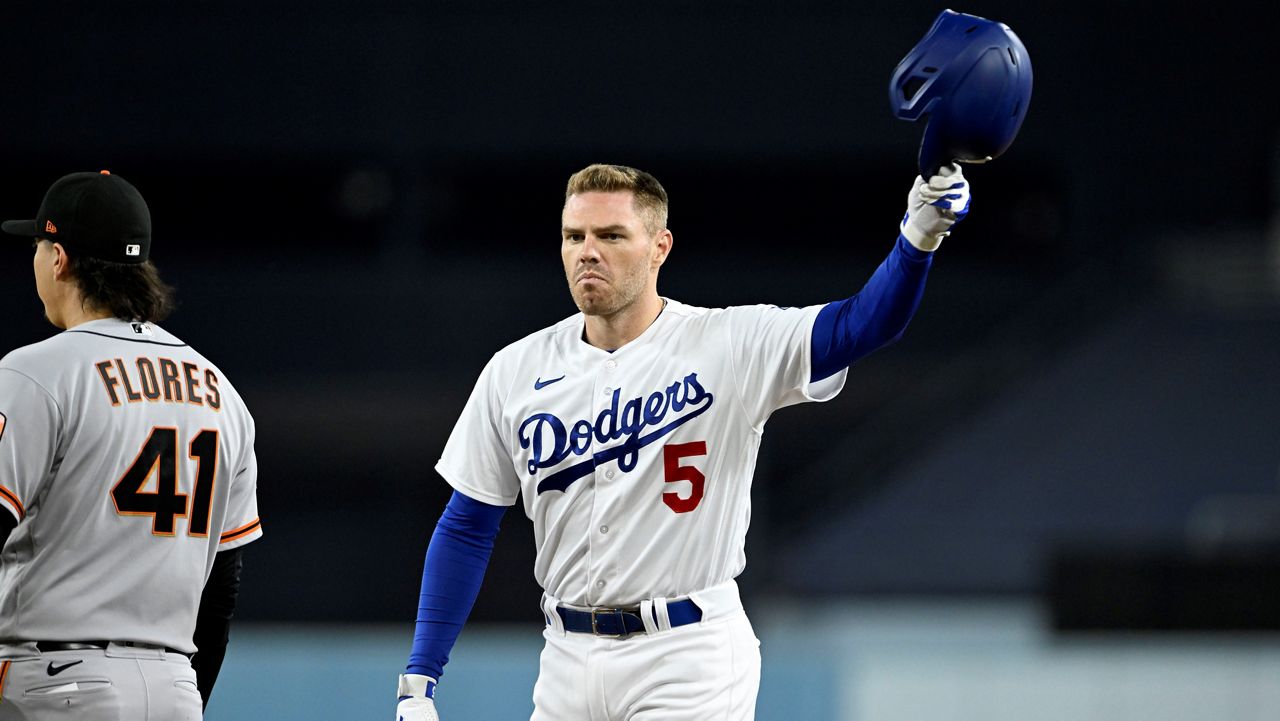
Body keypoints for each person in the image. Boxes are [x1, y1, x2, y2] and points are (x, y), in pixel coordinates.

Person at [394, 162, 971, 720]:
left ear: (659, 247)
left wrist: (918, 236)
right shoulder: (514, 370)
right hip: (566, 655)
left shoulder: (728, 343)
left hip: (687, 650)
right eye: (574, 235)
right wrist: (420, 678)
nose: (587, 251)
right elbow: (468, 523)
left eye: (611, 235)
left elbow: (863, 325)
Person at [0, 171, 262, 720]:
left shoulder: (35, 373)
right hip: (174, 687)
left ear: (59, 259)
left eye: (38, 244)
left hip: (52, 683)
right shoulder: (222, 393)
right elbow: (221, 592)